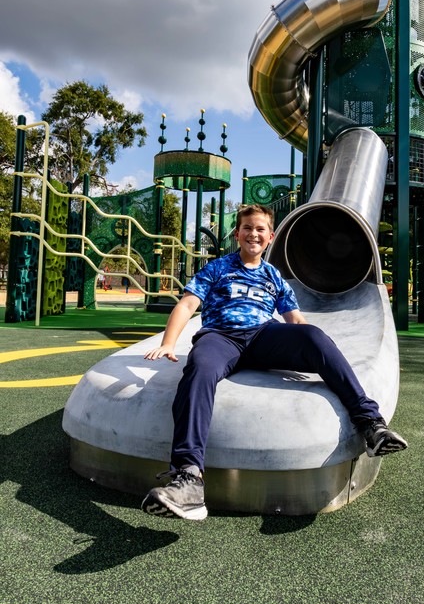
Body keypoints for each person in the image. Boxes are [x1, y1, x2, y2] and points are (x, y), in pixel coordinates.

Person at [141, 204, 407, 521]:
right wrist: (169, 342)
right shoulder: (218, 268)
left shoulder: (273, 276)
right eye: (248, 228)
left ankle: (371, 426)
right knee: (199, 369)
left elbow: (295, 319)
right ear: (237, 234)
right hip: (221, 337)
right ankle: (189, 478)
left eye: (260, 229)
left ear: (271, 237)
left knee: (314, 337)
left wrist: (311, 348)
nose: (254, 233)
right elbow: (187, 304)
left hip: (263, 335)